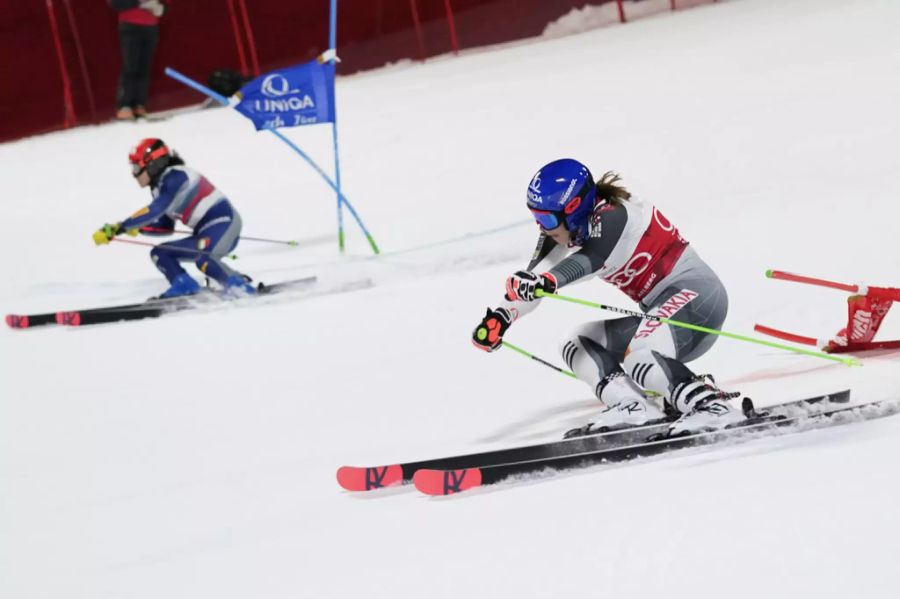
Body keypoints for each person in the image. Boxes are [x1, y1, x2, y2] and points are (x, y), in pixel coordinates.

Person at [471, 158, 741, 435]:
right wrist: (502, 317)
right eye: (536, 217)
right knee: (577, 342)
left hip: (697, 299)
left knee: (640, 354)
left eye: (547, 218)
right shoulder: (568, 228)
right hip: (665, 317)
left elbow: (592, 258)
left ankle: (712, 407)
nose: (543, 227)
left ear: (574, 208)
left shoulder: (614, 214)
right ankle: (633, 406)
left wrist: (548, 280)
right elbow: (535, 277)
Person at [92, 138, 256, 298]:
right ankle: (184, 285)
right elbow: (165, 226)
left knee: (204, 259)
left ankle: (238, 285)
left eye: (136, 167)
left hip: (224, 224)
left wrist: (121, 227)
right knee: (160, 253)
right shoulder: (159, 188)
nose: (134, 174)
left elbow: (155, 210)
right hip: (205, 232)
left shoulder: (176, 176)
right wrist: (137, 228)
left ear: (152, 164)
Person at [108, 0, 169, 120]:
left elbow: (166, 4)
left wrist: (160, 8)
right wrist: (140, 3)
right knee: (130, 66)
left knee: (144, 68)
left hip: (151, 27)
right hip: (130, 26)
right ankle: (124, 106)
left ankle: (139, 105)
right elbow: (115, 3)